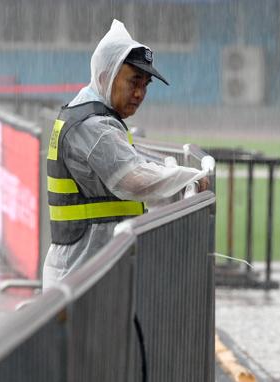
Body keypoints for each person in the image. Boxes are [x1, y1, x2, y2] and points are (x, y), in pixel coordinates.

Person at [42, 19, 210, 289]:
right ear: (106, 75)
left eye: (145, 85)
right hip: (80, 278)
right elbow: (133, 178)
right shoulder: (93, 126)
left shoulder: (96, 116)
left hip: (91, 273)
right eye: (134, 81)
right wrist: (187, 176)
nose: (140, 93)